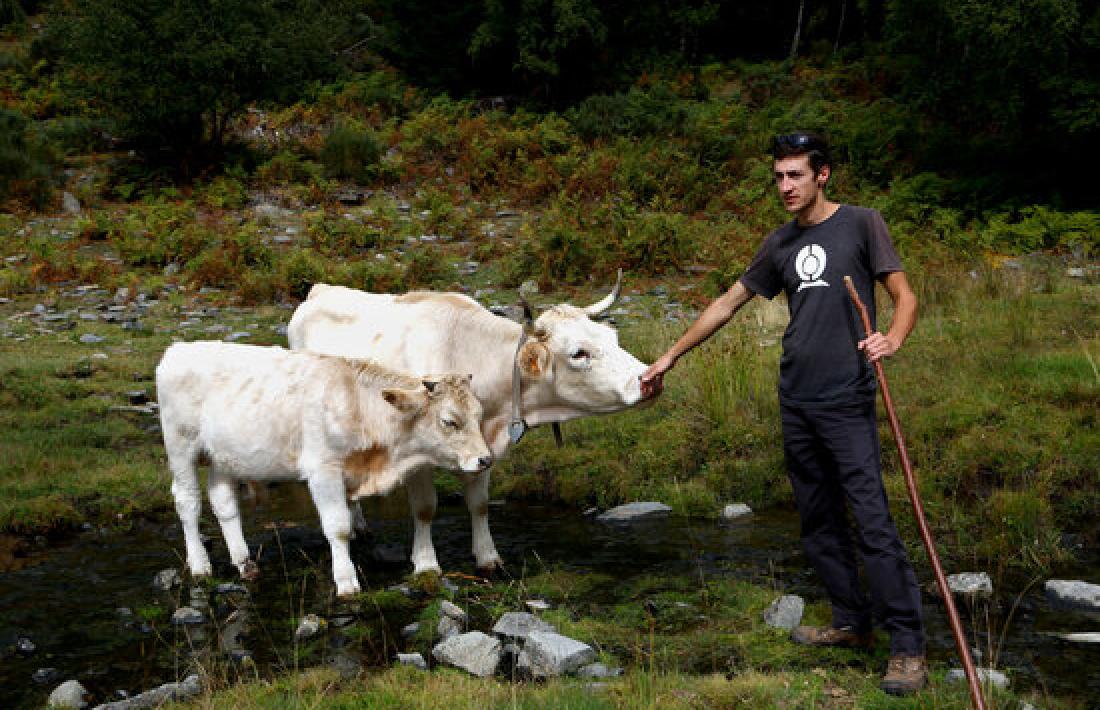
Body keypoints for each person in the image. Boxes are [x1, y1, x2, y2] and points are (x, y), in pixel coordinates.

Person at [640, 132, 927, 696]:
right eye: (778, 177)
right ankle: (850, 622)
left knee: (872, 521)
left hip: (847, 398)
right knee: (818, 519)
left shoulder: (863, 223)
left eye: (795, 175)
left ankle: (907, 647)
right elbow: (728, 302)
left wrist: (892, 338)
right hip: (796, 399)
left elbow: (904, 294)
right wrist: (669, 355)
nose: (784, 187)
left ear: (823, 175)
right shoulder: (779, 244)